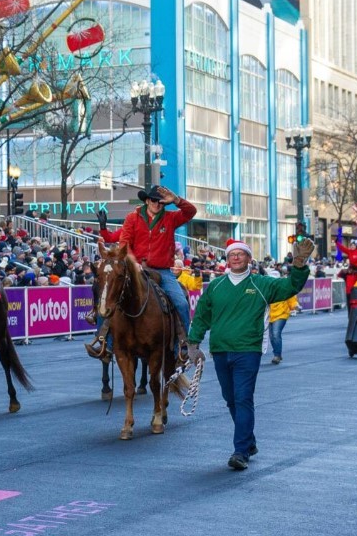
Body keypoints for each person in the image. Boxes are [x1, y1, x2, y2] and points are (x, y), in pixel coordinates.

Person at [187, 237, 314, 471]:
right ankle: (249, 440)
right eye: (231, 254)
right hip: (221, 350)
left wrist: (298, 265)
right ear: (226, 258)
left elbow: (290, 287)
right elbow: (202, 316)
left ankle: (241, 451)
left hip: (248, 350)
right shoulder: (215, 286)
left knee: (243, 397)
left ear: (249, 259)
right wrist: (193, 344)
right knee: (231, 399)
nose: (235, 257)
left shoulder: (262, 283)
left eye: (241, 254)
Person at [116, 185, 196, 337]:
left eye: (162, 201)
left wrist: (176, 200)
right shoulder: (132, 218)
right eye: (154, 200)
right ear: (147, 201)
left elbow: (191, 212)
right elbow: (124, 244)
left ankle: (186, 343)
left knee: (182, 303)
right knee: (110, 298)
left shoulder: (171, 218)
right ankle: (105, 342)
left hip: (162, 271)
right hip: (136, 269)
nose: (157, 204)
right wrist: (133, 263)